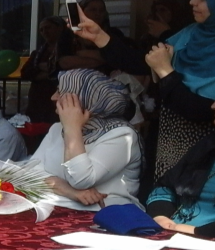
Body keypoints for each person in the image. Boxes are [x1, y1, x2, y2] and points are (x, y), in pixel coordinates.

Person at [75, 0, 215, 181]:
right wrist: (99, 36)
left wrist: (166, 71)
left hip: (213, 156)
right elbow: (143, 62)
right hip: (168, 146)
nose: (192, 1)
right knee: (160, 197)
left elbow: (203, 110)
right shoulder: (192, 34)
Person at [147, 75, 215, 245]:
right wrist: (160, 216)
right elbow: (166, 186)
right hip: (172, 235)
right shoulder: (210, 146)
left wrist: (197, 232)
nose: (214, 105)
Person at [31, 69, 142, 210]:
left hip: (106, 214)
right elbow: (29, 173)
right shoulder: (57, 128)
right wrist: (67, 190)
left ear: (85, 98)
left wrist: (72, 128)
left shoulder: (121, 135)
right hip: (58, 208)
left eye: (60, 92)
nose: (53, 97)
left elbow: (81, 180)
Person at [20, 16, 74, 123]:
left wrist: (46, 70)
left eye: (48, 28)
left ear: (60, 28)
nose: (45, 32)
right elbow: (25, 73)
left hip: (59, 99)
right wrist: (48, 70)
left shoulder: (71, 49)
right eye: (41, 30)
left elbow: (67, 70)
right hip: (38, 100)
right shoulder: (38, 53)